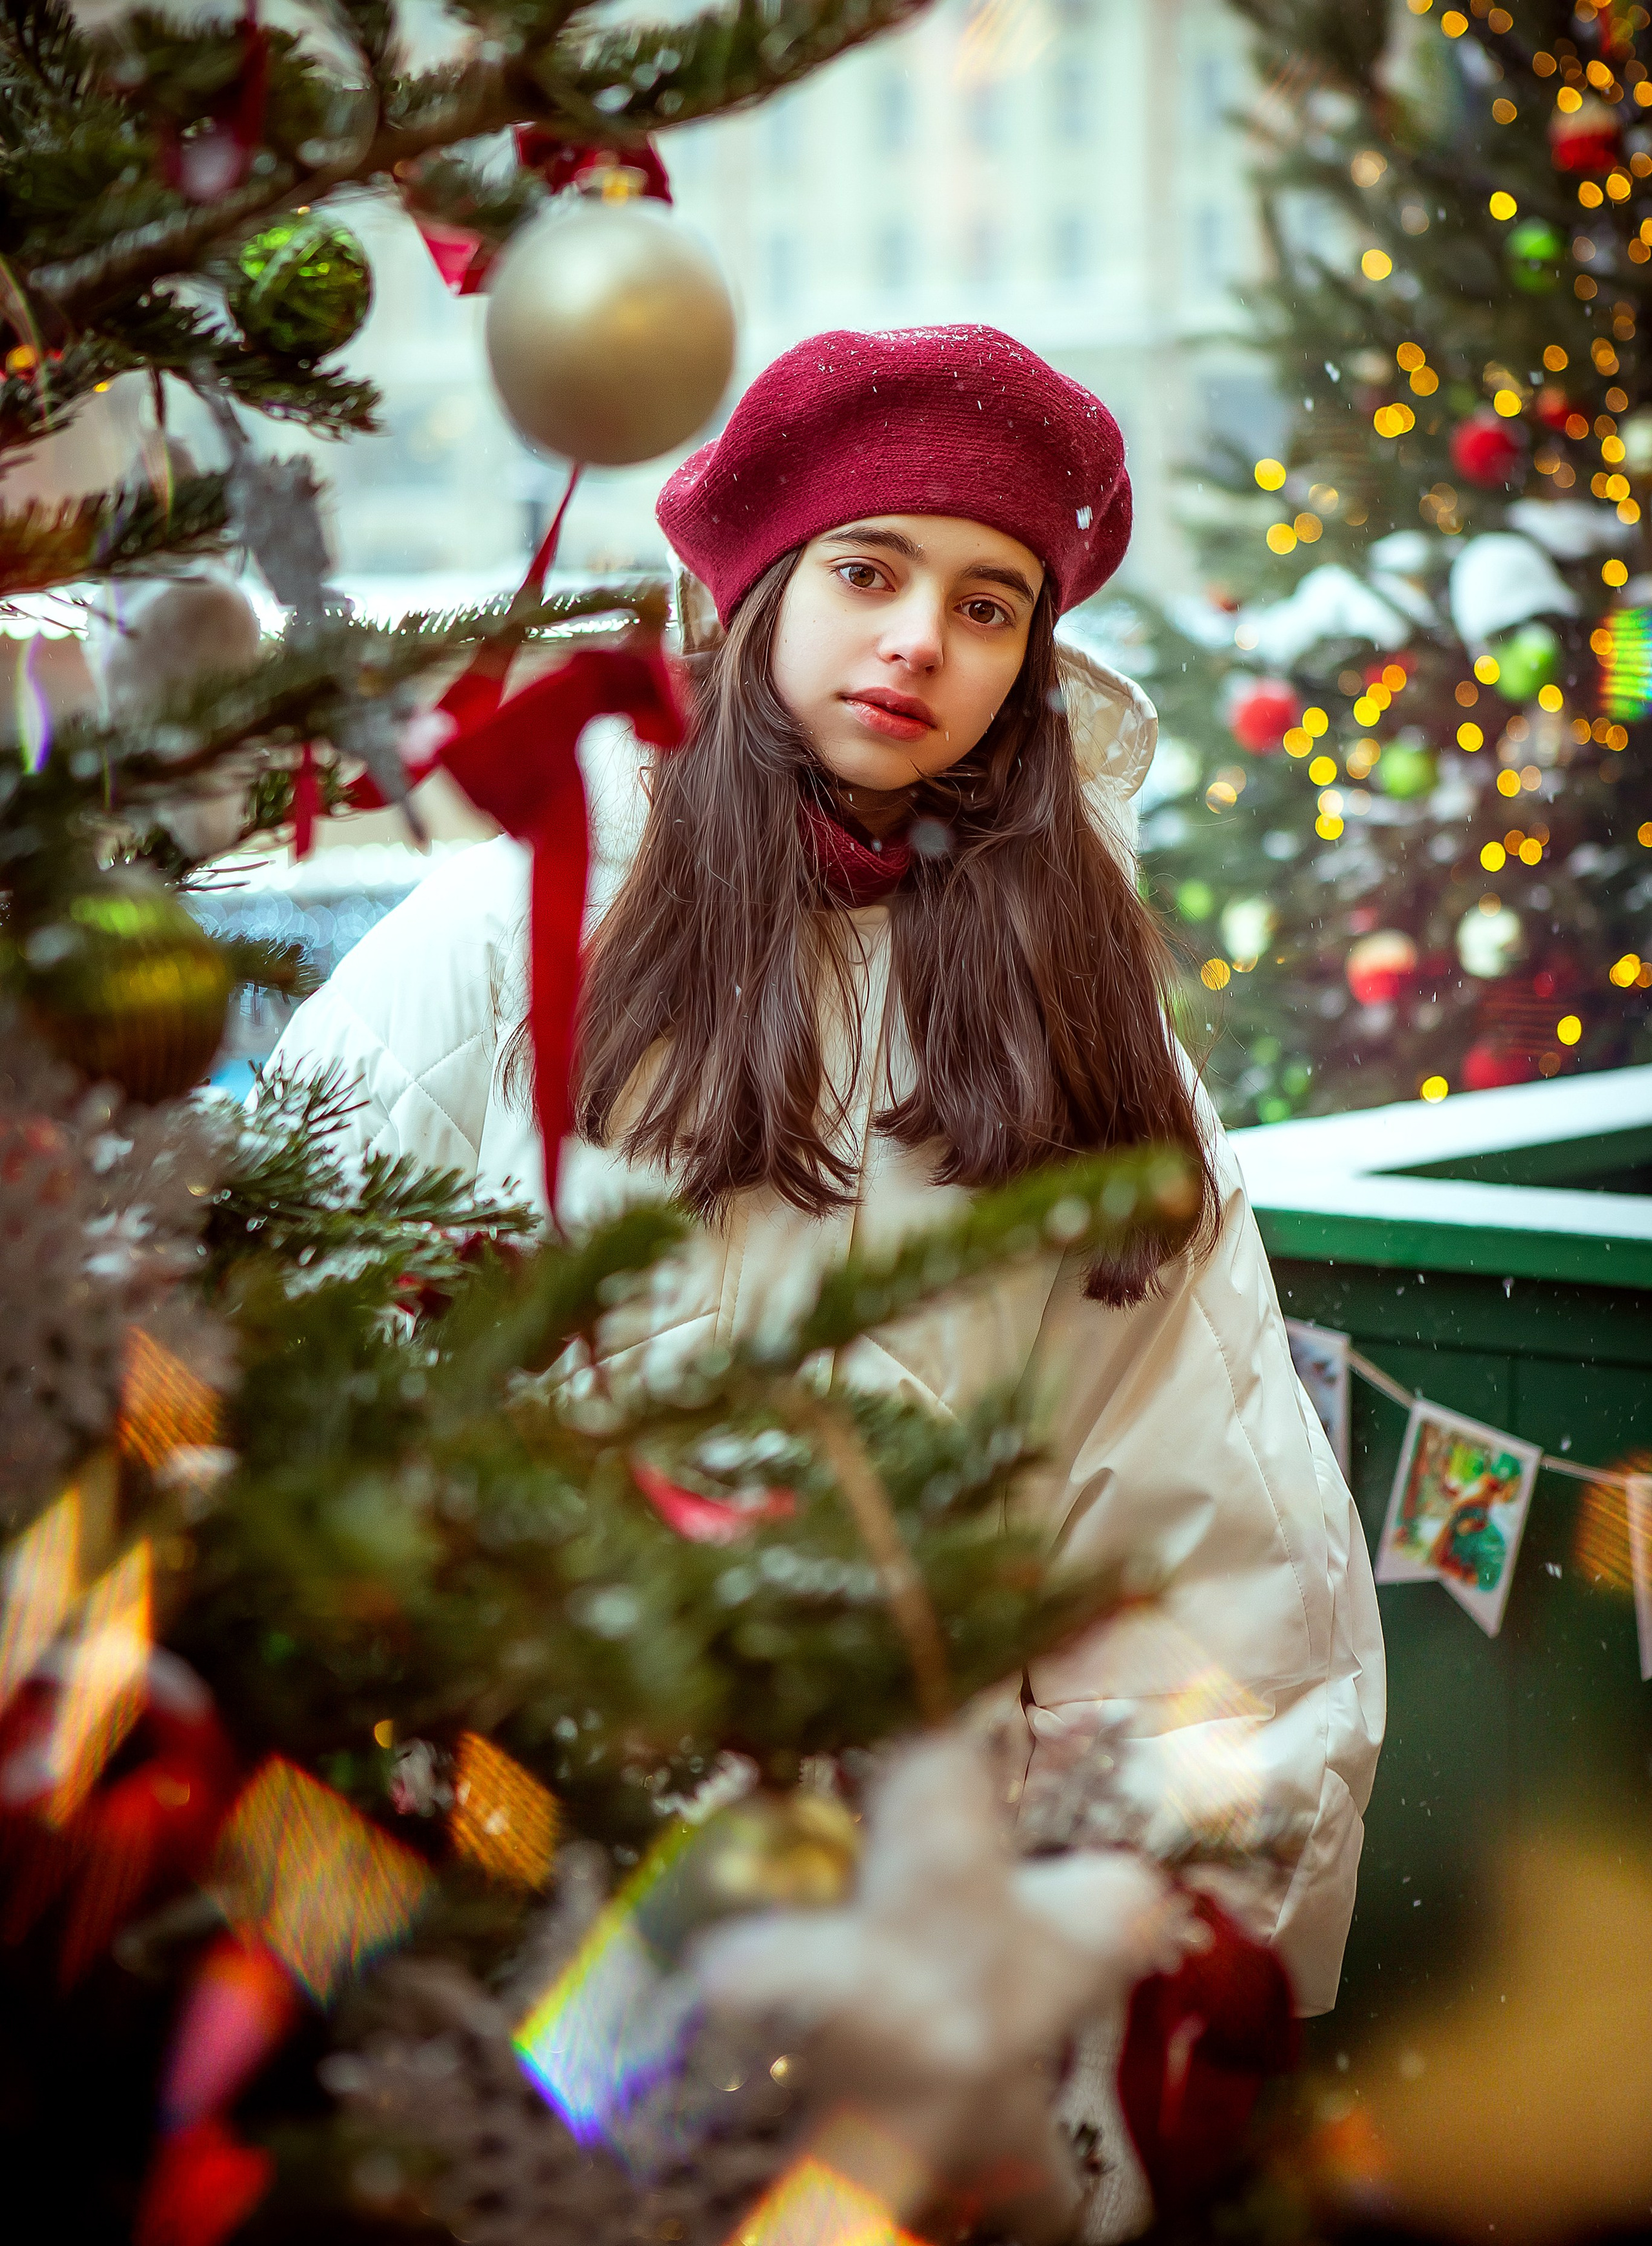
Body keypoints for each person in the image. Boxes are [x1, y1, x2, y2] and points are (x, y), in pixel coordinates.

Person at [270, 325, 1383, 2040]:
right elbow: (291, 1359)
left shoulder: (1083, 1010)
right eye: (871, 570)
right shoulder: (522, 931)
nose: (922, 639)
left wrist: (1152, 1975)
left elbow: (1197, 1537)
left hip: (916, 1958)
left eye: (991, 603)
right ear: (764, 592)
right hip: (511, 1890)